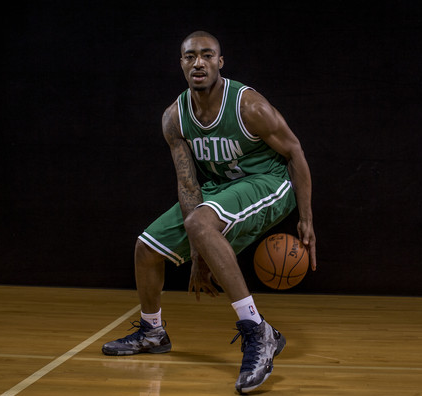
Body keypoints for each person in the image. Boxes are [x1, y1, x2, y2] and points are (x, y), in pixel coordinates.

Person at [102, 30, 316, 394]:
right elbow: (188, 185)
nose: (198, 62)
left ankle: (257, 330)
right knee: (146, 249)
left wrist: (306, 219)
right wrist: (198, 253)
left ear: (220, 62)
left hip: (270, 182)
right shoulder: (175, 117)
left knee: (201, 222)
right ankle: (153, 331)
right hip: (220, 191)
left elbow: (294, 151)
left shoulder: (247, 105)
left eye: (206, 55)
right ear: (181, 64)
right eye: (190, 57)